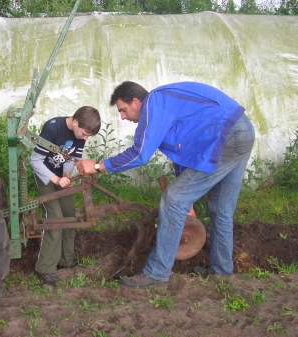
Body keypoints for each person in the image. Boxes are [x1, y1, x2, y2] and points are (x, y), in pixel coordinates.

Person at [76, 81, 255, 289]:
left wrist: (97, 166)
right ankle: (222, 275)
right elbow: (186, 153)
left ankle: (157, 273)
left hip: (227, 135)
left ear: (136, 102)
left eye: (123, 110)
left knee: (173, 199)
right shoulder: (168, 106)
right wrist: (188, 204)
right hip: (241, 129)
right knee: (220, 209)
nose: (123, 117)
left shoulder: (154, 102)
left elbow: (140, 154)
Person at [31, 106, 101, 285]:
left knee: (69, 214)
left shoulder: (80, 134)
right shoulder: (53, 128)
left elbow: (70, 159)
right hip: (45, 176)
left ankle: (66, 260)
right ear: (75, 122)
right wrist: (55, 179)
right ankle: (45, 268)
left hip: (60, 177)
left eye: (88, 137)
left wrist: (66, 174)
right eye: (84, 134)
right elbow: (35, 161)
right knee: (55, 218)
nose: (84, 139)